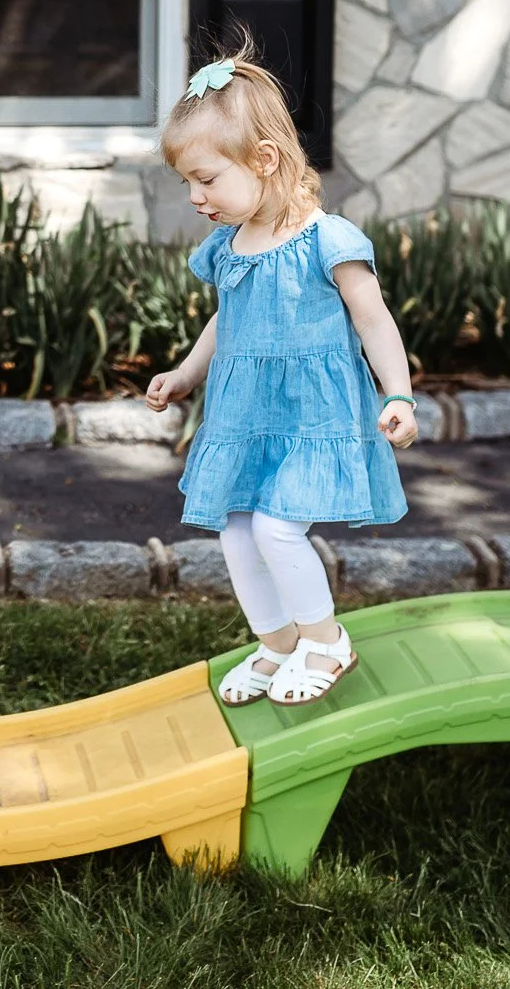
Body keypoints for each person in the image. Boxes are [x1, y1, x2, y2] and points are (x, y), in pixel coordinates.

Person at [145, 54, 421, 707]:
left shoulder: (328, 240)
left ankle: (326, 641)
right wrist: (186, 372)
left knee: (275, 528)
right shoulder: (228, 246)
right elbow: (227, 317)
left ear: (264, 159)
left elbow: (375, 322)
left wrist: (399, 395)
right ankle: (277, 644)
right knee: (237, 530)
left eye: (206, 178)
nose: (195, 197)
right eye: (188, 181)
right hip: (246, 416)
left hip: (311, 418)